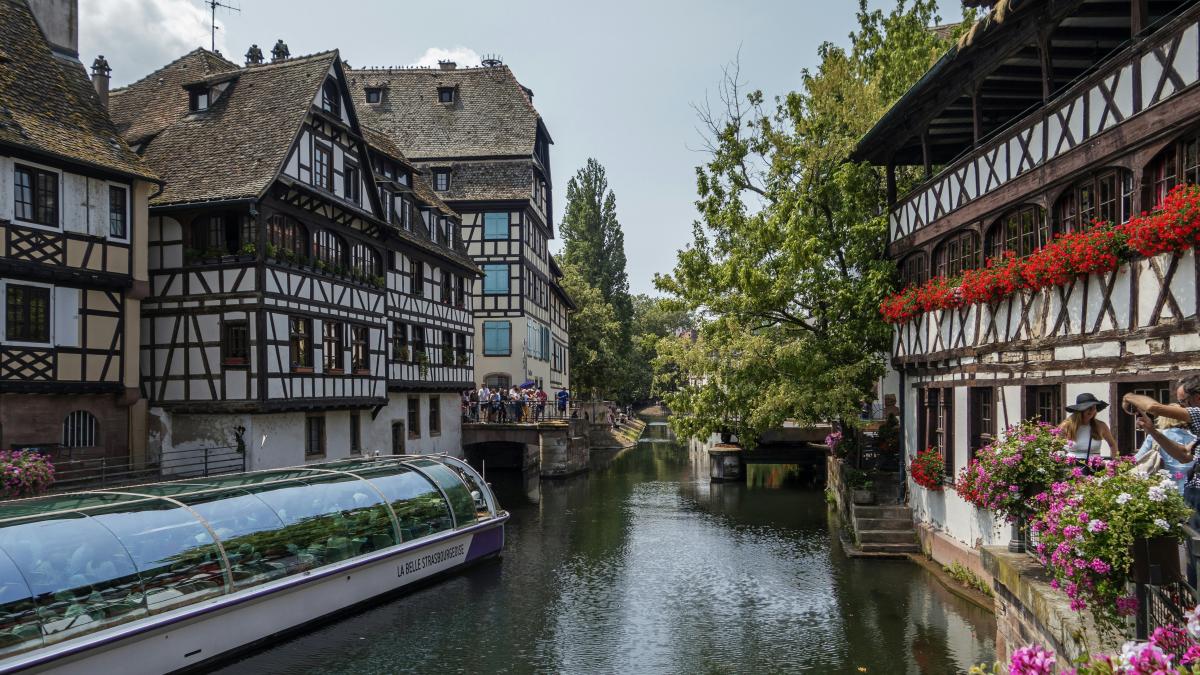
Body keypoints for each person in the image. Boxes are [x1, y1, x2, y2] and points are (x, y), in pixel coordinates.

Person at [1136, 415, 1196, 492]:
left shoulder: (1156, 435)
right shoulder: (1195, 438)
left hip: (1162, 487)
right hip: (1191, 488)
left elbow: (1138, 459)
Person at [1059, 393, 1118, 463]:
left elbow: (1112, 444)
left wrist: (1115, 464)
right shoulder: (1067, 426)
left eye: (1094, 408)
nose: (1092, 411)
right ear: (1080, 410)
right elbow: (1056, 446)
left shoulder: (1101, 426)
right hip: (1072, 467)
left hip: (1095, 468)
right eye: (1089, 408)